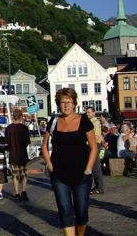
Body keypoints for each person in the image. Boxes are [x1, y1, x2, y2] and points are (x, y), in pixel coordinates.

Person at [42, 88, 98, 236]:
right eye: (63, 102)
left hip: (82, 174)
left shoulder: (84, 120)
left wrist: (88, 168)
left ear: (74, 104)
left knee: (81, 212)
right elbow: (45, 146)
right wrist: (49, 164)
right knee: (65, 210)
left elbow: (93, 147)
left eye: (69, 102)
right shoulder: (53, 122)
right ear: (58, 104)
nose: (66, 105)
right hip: (59, 174)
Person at [5, 109, 31, 202]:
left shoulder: (8, 128)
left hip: (13, 155)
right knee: (24, 175)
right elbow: (27, 142)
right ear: (21, 117)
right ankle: (24, 192)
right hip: (23, 154)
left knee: (15, 176)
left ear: (13, 117)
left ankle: (16, 194)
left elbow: (6, 143)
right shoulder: (24, 128)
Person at [85, 107, 104, 195]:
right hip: (93, 145)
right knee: (93, 167)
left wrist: (88, 143)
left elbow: (96, 136)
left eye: (89, 112)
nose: (87, 114)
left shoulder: (95, 122)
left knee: (95, 167)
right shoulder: (91, 122)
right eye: (87, 112)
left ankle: (99, 188)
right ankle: (97, 187)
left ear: (94, 113)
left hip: (94, 145)